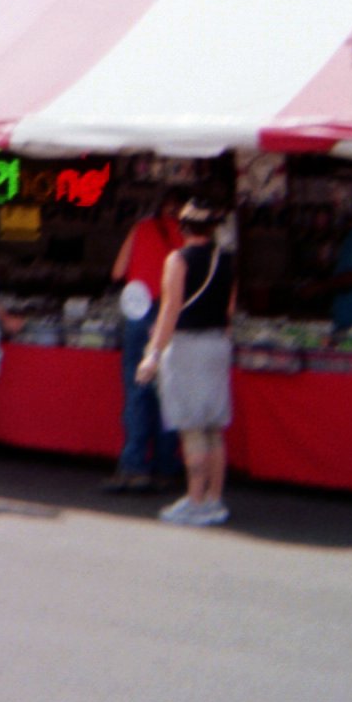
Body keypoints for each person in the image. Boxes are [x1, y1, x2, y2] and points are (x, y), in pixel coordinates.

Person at [137, 199, 237, 525]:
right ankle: (214, 500)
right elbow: (230, 310)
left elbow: (170, 309)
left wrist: (153, 353)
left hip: (187, 347)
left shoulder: (177, 260)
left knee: (192, 427)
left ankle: (195, 500)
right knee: (214, 427)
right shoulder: (228, 260)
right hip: (218, 344)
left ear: (183, 227)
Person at [106, 190, 185, 492]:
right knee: (167, 391)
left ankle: (134, 465)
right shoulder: (186, 236)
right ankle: (166, 464)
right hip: (169, 312)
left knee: (137, 390)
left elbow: (117, 271)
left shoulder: (140, 228)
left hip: (138, 312)